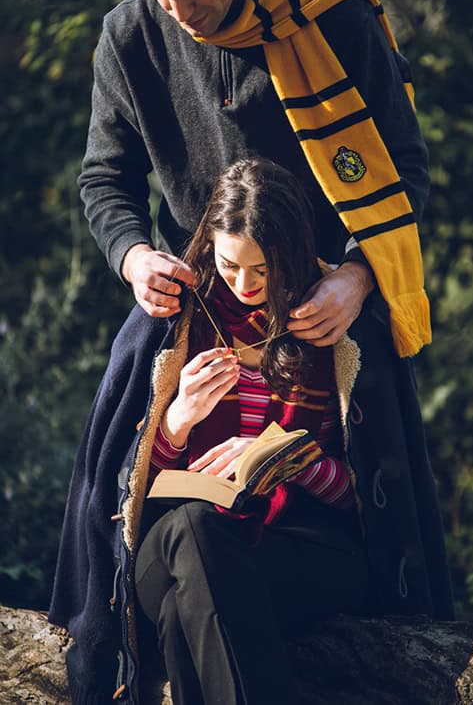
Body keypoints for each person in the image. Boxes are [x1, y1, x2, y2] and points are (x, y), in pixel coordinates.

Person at [49, 158, 452, 705]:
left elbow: (371, 497)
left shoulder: (330, 323)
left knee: (182, 604)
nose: (244, 284)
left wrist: (296, 461)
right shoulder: (175, 320)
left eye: (263, 270)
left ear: (290, 254)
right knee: (194, 530)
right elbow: (124, 492)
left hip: (302, 550)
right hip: (176, 544)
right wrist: (178, 419)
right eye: (230, 264)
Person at [78, 0, 432, 359]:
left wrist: (357, 279)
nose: (181, 13)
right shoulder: (128, 35)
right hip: (194, 323)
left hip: (327, 318)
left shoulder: (334, 17)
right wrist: (133, 258)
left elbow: (403, 166)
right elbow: (105, 178)